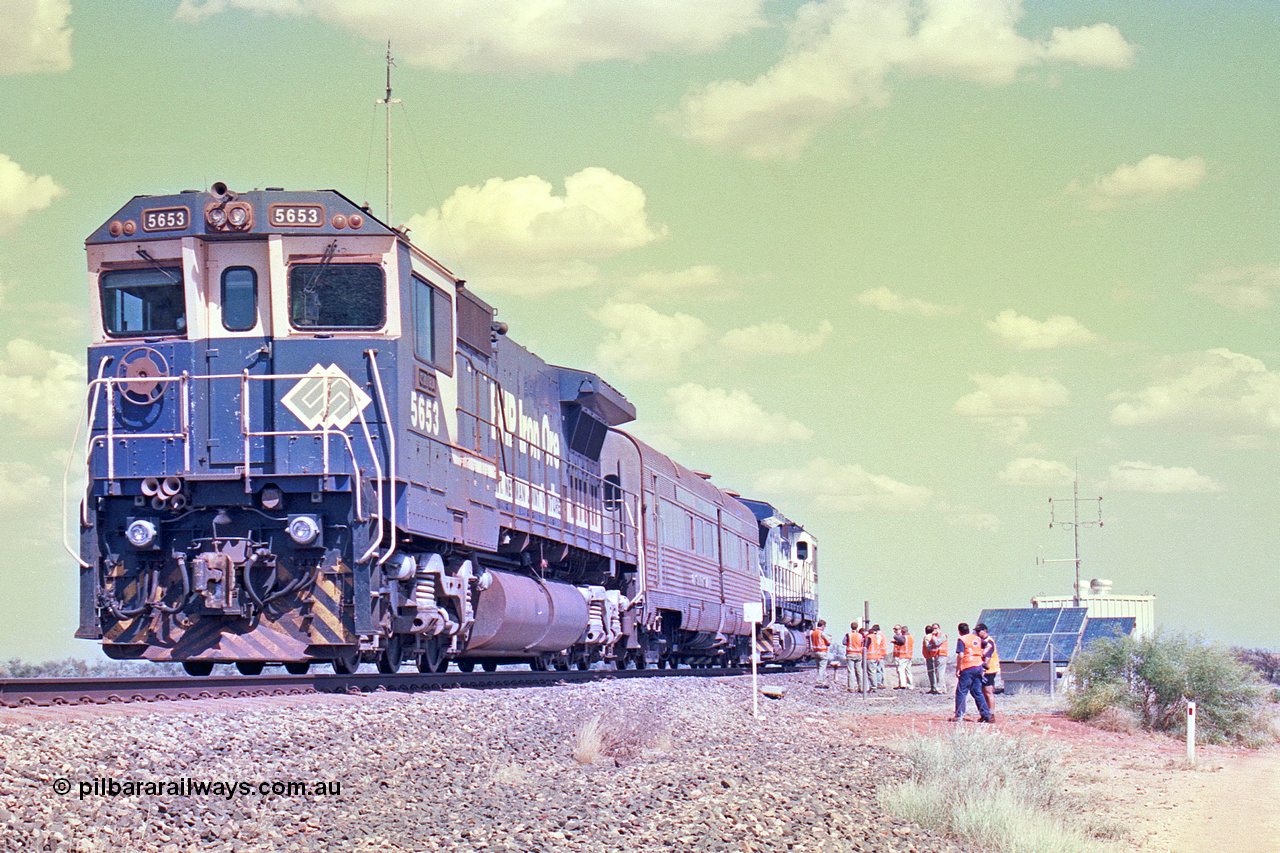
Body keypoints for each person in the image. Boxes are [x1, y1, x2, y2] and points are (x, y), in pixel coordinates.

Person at [951, 622, 992, 722]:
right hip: (978, 667)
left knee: (961, 692)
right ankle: (986, 715)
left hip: (967, 667)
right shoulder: (976, 638)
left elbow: (960, 655)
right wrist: (981, 654)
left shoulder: (962, 640)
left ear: (959, 631)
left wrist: (958, 668)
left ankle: (959, 715)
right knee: (977, 691)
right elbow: (988, 646)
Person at [977, 623, 1000, 721]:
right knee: (983, 692)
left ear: (985, 631)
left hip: (989, 670)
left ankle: (991, 714)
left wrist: (984, 670)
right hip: (984, 670)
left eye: (979, 631)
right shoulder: (981, 641)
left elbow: (988, 658)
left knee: (988, 691)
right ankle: (985, 714)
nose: (977, 633)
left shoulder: (989, 642)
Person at [924, 623, 948, 694]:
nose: (934, 630)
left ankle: (940, 689)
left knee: (940, 672)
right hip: (936, 655)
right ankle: (943, 689)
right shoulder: (933, 636)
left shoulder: (942, 635)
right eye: (933, 628)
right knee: (938, 672)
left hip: (942, 655)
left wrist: (933, 636)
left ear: (939, 628)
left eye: (936, 628)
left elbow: (937, 643)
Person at [843, 621, 865, 692]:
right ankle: (861, 687)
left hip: (850, 654)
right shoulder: (860, 635)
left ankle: (851, 688)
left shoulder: (848, 635)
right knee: (859, 671)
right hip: (858, 654)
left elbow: (844, 642)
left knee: (851, 671)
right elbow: (862, 643)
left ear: (851, 627)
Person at [810, 619, 832, 688]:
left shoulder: (813, 633)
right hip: (822, 651)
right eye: (824, 626)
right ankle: (819, 682)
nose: (824, 628)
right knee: (822, 668)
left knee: (819, 667)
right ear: (822, 626)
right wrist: (830, 638)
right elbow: (828, 643)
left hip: (816, 652)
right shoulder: (822, 633)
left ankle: (822, 680)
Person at [866, 624, 887, 690]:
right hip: (879, 654)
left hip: (878, 654)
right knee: (880, 670)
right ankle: (880, 683)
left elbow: (876, 645)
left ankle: (878, 683)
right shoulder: (882, 635)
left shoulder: (877, 636)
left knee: (877, 670)